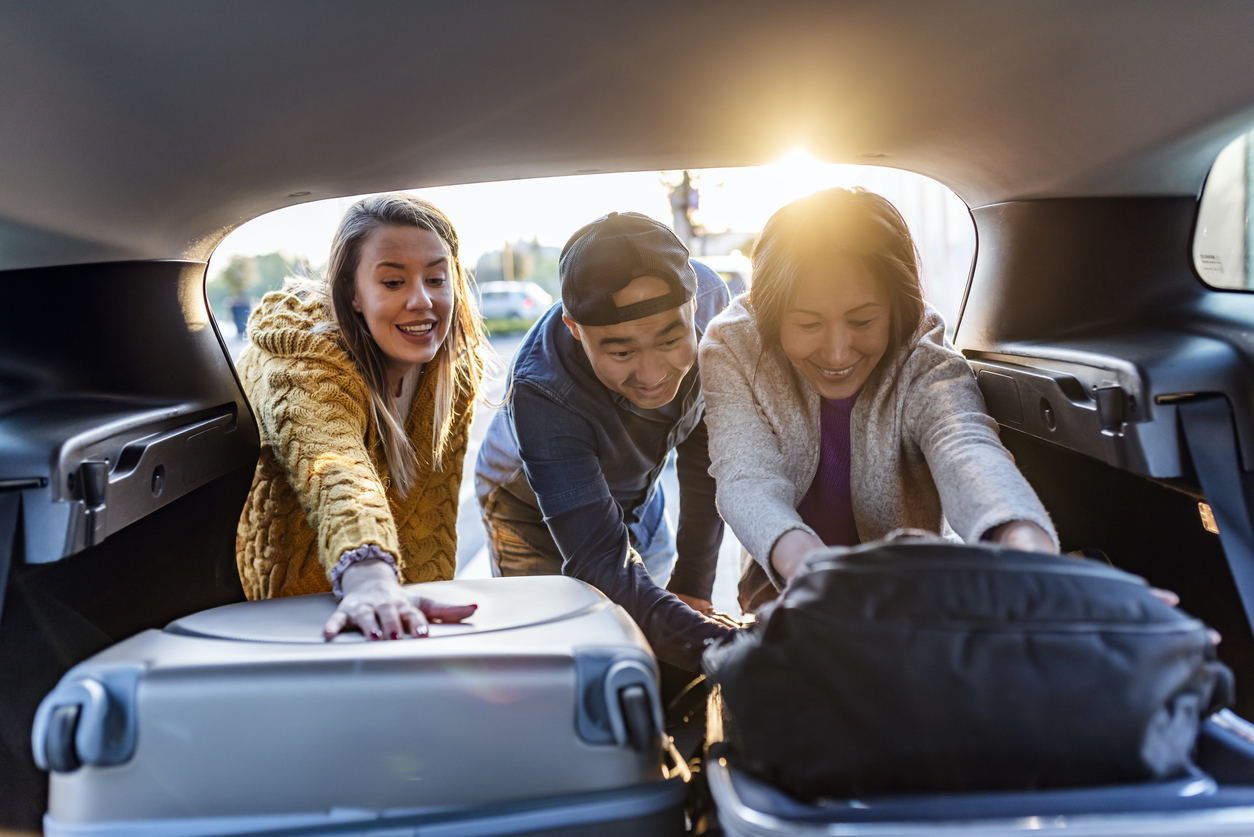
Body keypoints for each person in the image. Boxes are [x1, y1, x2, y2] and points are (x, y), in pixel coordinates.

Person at [698, 187, 1059, 612]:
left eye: (863, 320)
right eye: (808, 324)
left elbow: (964, 447)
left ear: (896, 307)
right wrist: (810, 567)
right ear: (769, 312)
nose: (836, 353)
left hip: (908, 588)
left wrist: (1026, 546)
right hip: (783, 575)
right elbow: (745, 476)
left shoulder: (923, 353)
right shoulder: (733, 346)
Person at [475, 211, 737, 672]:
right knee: (570, 668)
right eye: (620, 352)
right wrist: (732, 649)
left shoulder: (715, 304)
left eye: (671, 339)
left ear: (694, 306)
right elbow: (598, 558)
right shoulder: (541, 391)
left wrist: (694, 582)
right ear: (574, 328)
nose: (654, 375)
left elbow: (705, 454)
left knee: (656, 641)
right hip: (530, 514)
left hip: (639, 492)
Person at [235, 194, 483, 639]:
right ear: (352, 292)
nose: (421, 300)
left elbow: (432, 523)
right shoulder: (304, 360)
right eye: (393, 282)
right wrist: (370, 577)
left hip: (383, 610)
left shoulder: (453, 375)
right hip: (282, 621)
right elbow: (335, 469)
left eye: (436, 278)